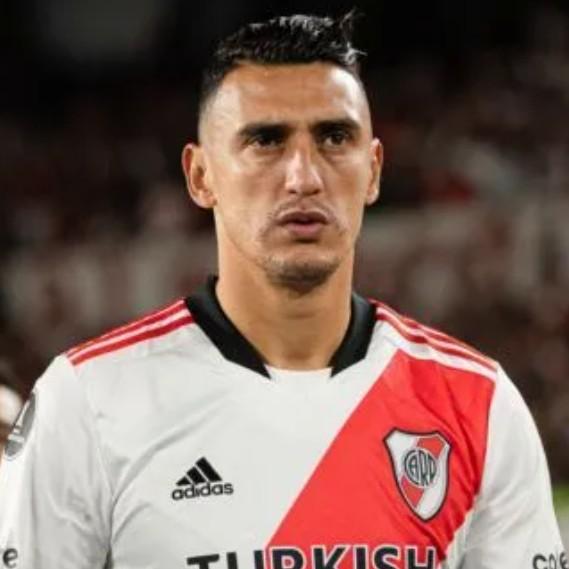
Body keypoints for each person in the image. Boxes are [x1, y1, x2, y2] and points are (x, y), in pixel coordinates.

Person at [0, 12, 566, 569]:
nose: (303, 177)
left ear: (373, 170)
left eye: (334, 137)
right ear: (201, 176)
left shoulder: (478, 404)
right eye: (266, 140)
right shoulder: (89, 400)